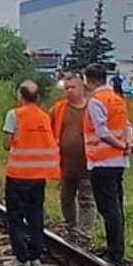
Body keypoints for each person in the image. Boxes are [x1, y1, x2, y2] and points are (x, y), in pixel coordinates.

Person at [1, 80, 58, 266]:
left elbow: (7, 144)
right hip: (38, 175)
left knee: (16, 217)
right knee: (36, 216)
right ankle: (36, 256)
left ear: (20, 96)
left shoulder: (14, 114)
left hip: (18, 174)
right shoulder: (44, 116)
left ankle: (21, 258)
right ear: (38, 97)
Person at [84, 62, 133, 266]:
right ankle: (114, 247)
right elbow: (128, 126)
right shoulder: (117, 99)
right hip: (119, 161)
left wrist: (122, 144)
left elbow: (102, 132)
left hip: (102, 161)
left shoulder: (96, 101)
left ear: (89, 80)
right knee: (116, 206)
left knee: (108, 208)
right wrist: (128, 145)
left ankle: (115, 253)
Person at [49, 73, 98, 248]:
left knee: (87, 199)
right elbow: (49, 131)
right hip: (65, 164)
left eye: (72, 87)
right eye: (66, 88)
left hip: (88, 163)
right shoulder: (58, 109)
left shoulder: (92, 108)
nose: (69, 91)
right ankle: (71, 228)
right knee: (66, 198)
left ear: (82, 87)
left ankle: (84, 234)